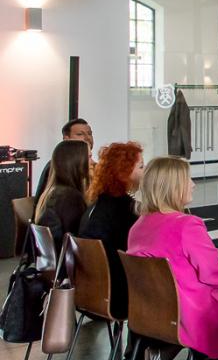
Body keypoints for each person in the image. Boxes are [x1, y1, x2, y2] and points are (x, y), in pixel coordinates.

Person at [127, 157, 218, 360]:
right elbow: (214, 274)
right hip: (193, 312)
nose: (194, 184)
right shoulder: (186, 225)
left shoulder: (138, 226)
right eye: (188, 179)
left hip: (154, 309)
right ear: (173, 186)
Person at [79, 141, 144, 318]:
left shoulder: (97, 204)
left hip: (89, 291)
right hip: (119, 296)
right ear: (124, 172)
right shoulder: (126, 211)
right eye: (140, 167)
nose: (145, 172)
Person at [34, 140, 90, 246]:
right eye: (89, 157)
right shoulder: (70, 198)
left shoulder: (52, 192)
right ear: (77, 162)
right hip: (65, 254)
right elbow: (79, 239)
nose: (93, 162)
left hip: (52, 254)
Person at [35, 117, 94, 199]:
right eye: (80, 134)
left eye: (89, 134)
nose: (87, 138)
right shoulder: (56, 166)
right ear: (66, 139)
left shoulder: (95, 166)